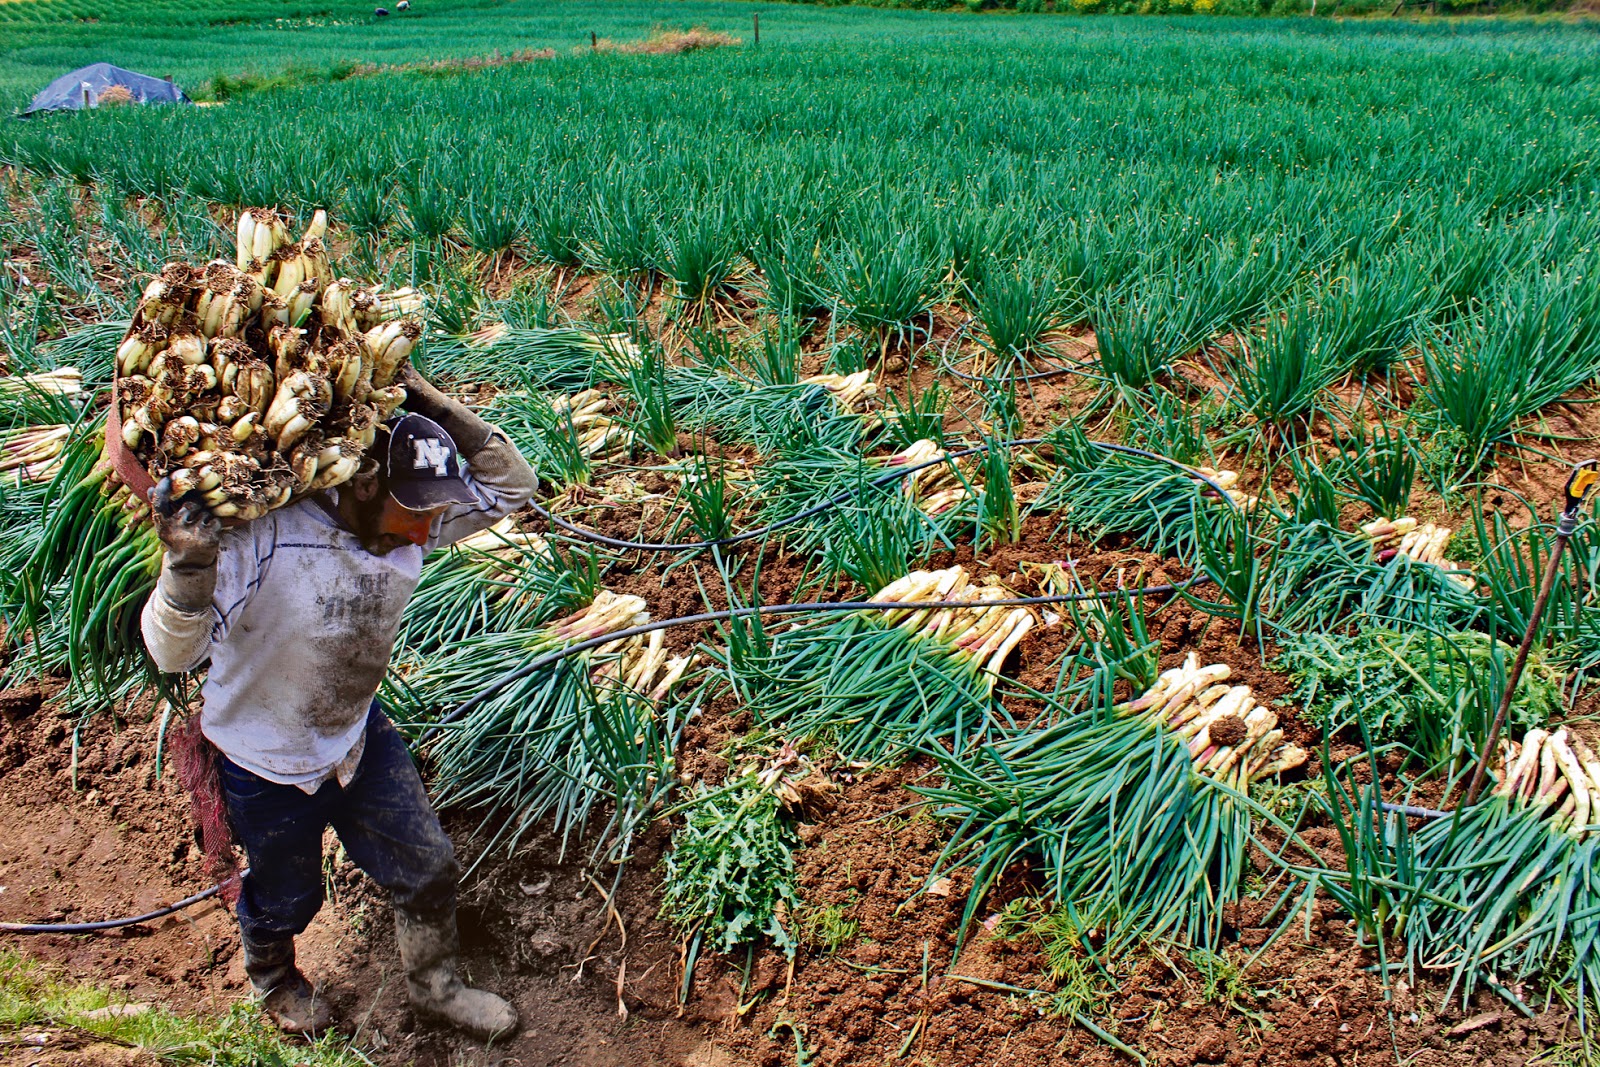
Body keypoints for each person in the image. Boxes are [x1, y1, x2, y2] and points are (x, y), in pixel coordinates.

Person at [140, 364, 536, 1040]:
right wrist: (188, 564)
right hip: (264, 763)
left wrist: (433, 404)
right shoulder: (266, 538)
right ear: (361, 483)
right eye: (416, 516)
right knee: (286, 898)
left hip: (355, 736)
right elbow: (173, 654)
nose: (427, 535)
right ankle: (276, 980)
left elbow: (512, 485)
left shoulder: (408, 518)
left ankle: (436, 986)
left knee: (426, 864)